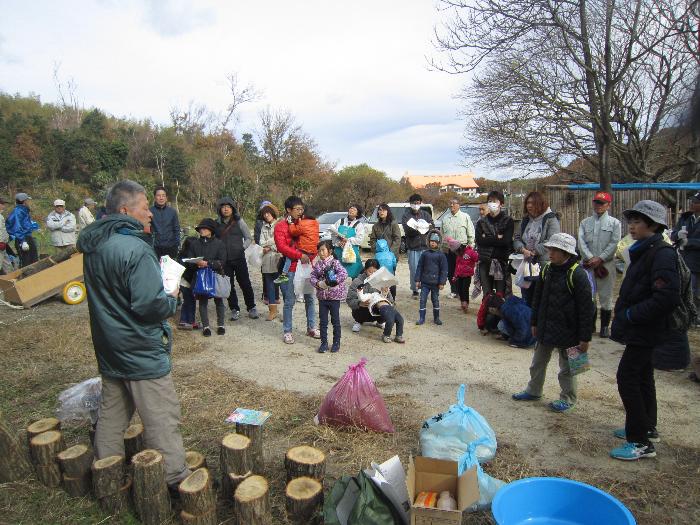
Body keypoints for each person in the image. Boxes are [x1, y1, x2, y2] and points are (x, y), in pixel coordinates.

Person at [76, 180, 190, 493]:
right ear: (125, 210)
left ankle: (107, 473)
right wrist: (171, 297)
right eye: (144, 207)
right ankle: (175, 481)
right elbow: (149, 305)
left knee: (112, 415)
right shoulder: (136, 248)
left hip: (109, 346)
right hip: (140, 348)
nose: (151, 213)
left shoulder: (95, 246)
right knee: (162, 418)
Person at [609, 200, 681, 461]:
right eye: (631, 221)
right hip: (643, 328)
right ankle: (647, 427)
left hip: (646, 328)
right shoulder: (644, 249)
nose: (632, 226)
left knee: (627, 377)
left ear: (653, 225)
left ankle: (639, 441)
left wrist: (631, 314)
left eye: (637, 222)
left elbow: (666, 296)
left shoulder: (660, 253)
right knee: (642, 377)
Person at [512, 233, 594, 413]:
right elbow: (538, 299)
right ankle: (533, 390)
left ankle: (568, 399)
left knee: (569, 368)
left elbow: (587, 309)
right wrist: (534, 322)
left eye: (555, 250)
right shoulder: (547, 269)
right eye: (550, 249)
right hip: (546, 327)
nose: (550, 253)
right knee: (537, 363)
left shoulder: (578, 275)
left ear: (566, 253)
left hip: (570, 332)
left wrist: (585, 337)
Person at [274, 196, 319, 344]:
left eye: (302, 209)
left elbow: (313, 243)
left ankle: (311, 327)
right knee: (289, 300)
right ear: (289, 210)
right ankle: (287, 331)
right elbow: (281, 247)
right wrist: (300, 255)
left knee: (310, 298)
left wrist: (310, 256)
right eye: (297, 209)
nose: (300, 212)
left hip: (306, 267)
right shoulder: (281, 226)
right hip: (290, 268)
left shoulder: (306, 223)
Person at [577, 191, 621, 338]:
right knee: (589, 296)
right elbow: (581, 242)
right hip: (589, 265)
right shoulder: (585, 223)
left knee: (606, 296)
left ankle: (604, 327)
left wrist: (601, 258)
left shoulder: (615, 223)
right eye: (596, 202)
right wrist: (590, 258)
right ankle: (590, 326)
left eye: (602, 203)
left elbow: (614, 243)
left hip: (606, 265)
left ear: (608, 205)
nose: (598, 206)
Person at [513, 191, 561, 305]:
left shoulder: (551, 219)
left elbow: (552, 240)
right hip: (525, 265)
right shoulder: (525, 220)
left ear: (540, 203)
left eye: (533, 203)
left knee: (542, 299)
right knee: (526, 297)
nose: (529, 205)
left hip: (543, 265)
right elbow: (517, 238)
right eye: (528, 203)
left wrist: (534, 251)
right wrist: (522, 250)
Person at [216, 197, 258, 320]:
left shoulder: (239, 221)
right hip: (224, 260)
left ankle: (251, 307)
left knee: (245, 283)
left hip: (239, 257)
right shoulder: (216, 223)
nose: (225, 209)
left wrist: (241, 248)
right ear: (220, 209)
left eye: (228, 207)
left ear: (232, 209)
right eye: (223, 207)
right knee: (228, 285)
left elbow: (248, 238)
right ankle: (234, 308)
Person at [183, 218, 227, 337]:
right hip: (200, 275)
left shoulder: (219, 244)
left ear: (211, 230)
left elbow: (223, 261)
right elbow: (189, 260)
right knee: (202, 301)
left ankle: (221, 325)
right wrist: (196, 263)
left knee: (219, 300)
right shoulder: (194, 244)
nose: (201, 230)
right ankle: (206, 326)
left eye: (204, 228)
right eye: (200, 229)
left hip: (215, 274)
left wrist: (208, 263)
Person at [346, 259, 405, 343]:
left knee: (387, 311)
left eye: (375, 272)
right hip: (362, 309)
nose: (372, 274)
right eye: (370, 272)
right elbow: (349, 299)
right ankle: (359, 322)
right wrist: (360, 303)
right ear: (365, 270)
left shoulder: (382, 281)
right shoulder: (357, 281)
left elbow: (391, 301)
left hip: (378, 308)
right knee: (360, 312)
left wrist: (385, 294)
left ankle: (380, 322)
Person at [309, 240, 348, 353]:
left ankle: (336, 343)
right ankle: (324, 343)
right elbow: (312, 276)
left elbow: (344, 274)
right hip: (322, 297)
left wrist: (333, 281)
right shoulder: (318, 265)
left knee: (335, 321)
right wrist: (317, 283)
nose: (321, 253)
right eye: (319, 250)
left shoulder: (335, 263)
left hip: (334, 297)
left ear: (330, 251)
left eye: (323, 250)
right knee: (323, 321)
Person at [475, 191, 514, 296]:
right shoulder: (481, 222)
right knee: (487, 295)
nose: (492, 203)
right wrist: (497, 237)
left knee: (501, 295)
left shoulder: (508, 221)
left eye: (495, 201)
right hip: (485, 262)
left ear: (501, 204)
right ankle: (487, 312)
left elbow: (506, 241)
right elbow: (479, 240)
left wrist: (487, 238)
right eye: (490, 201)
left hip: (501, 262)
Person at [671, 191, 700, 328]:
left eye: (696, 202)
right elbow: (673, 234)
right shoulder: (686, 218)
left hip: (697, 260)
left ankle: (695, 315)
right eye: (692, 201)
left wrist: (690, 242)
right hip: (684, 260)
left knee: (695, 291)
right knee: (684, 289)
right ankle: (686, 315)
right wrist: (678, 235)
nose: (692, 204)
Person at [441, 198, 475, 299]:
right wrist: (442, 248)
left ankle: (462, 292)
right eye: (450, 203)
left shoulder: (465, 217)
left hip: (462, 248)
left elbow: (471, 232)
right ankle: (454, 291)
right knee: (451, 271)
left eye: (454, 203)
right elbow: (442, 233)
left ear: (458, 205)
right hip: (449, 249)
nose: (451, 205)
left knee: (463, 271)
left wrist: (471, 246)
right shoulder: (445, 218)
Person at [401, 194, 434, 299]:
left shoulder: (425, 214)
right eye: (414, 203)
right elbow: (408, 230)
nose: (416, 205)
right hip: (413, 247)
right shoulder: (406, 216)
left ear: (421, 203)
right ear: (410, 204)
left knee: (426, 269)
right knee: (414, 269)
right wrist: (421, 228)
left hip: (425, 246)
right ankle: (415, 290)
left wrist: (421, 226)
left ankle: (425, 289)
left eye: (418, 203)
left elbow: (431, 226)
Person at [276, 208, 320, 284]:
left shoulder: (303, 223)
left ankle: (284, 274)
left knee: (289, 256)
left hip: (305, 249)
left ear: (304, 215)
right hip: (313, 250)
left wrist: (291, 223)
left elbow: (293, 232)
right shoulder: (316, 223)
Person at [415, 231, 448, 325]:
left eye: (435, 241)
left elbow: (444, 270)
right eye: (431, 241)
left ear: (438, 243)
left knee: (435, 300)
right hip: (425, 283)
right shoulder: (425, 254)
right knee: (422, 299)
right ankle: (421, 318)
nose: (432, 243)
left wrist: (442, 282)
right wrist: (417, 280)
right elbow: (419, 267)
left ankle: (436, 318)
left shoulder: (441, 255)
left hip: (436, 283)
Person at [258, 204, 281, 321]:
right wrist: (271, 243)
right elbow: (261, 242)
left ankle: (286, 312)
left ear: (272, 213)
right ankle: (272, 310)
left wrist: (270, 245)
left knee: (283, 284)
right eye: (264, 214)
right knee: (269, 285)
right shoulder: (263, 227)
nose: (266, 215)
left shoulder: (280, 224)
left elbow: (280, 241)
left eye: (268, 213)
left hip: (278, 258)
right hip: (266, 259)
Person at [331, 204, 365, 279]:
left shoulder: (359, 225)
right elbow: (333, 234)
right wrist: (338, 243)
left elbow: (360, 239)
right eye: (351, 208)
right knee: (336, 274)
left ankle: (354, 290)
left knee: (355, 274)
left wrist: (348, 240)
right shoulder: (340, 221)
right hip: (339, 252)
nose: (351, 210)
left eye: (354, 209)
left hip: (351, 253)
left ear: (358, 213)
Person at [6, 192, 39, 267]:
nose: (28, 202)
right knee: (26, 262)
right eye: (27, 200)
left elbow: (24, 224)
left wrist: (32, 226)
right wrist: (22, 241)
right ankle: (25, 278)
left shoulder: (24, 210)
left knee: (34, 259)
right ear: (24, 201)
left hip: (28, 237)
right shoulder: (18, 211)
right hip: (23, 239)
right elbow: (17, 227)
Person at [150, 187, 181, 260]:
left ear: (166, 198)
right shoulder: (150, 212)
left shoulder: (172, 212)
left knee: (170, 271)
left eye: (163, 195)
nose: (161, 198)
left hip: (170, 248)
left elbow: (176, 229)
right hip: (155, 248)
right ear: (155, 197)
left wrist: (176, 244)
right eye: (158, 195)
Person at [176, 235, 198, 330]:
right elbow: (189, 272)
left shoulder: (180, 255)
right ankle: (189, 321)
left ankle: (184, 321)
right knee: (190, 302)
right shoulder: (191, 258)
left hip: (182, 282)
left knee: (187, 301)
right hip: (187, 282)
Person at [254, 200, 272, 304]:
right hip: (264, 252)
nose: (266, 214)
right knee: (265, 274)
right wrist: (263, 248)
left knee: (275, 274)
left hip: (275, 252)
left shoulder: (276, 222)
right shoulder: (258, 223)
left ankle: (274, 295)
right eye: (264, 211)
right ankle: (266, 294)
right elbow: (257, 239)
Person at [453, 243, 479, 312]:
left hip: (467, 275)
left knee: (465, 289)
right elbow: (457, 264)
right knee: (459, 289)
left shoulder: (471, 252)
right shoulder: (459, 254)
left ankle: (466, 303)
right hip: (459, 274)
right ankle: (462, 303)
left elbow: (477, 258)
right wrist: (455, 275)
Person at [0, 196, 15, 274]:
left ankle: (11, 280)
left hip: (3, 245)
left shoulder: (1, 216)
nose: (4, 206)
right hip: (1, 244)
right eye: (2, 204)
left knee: (7, 264)